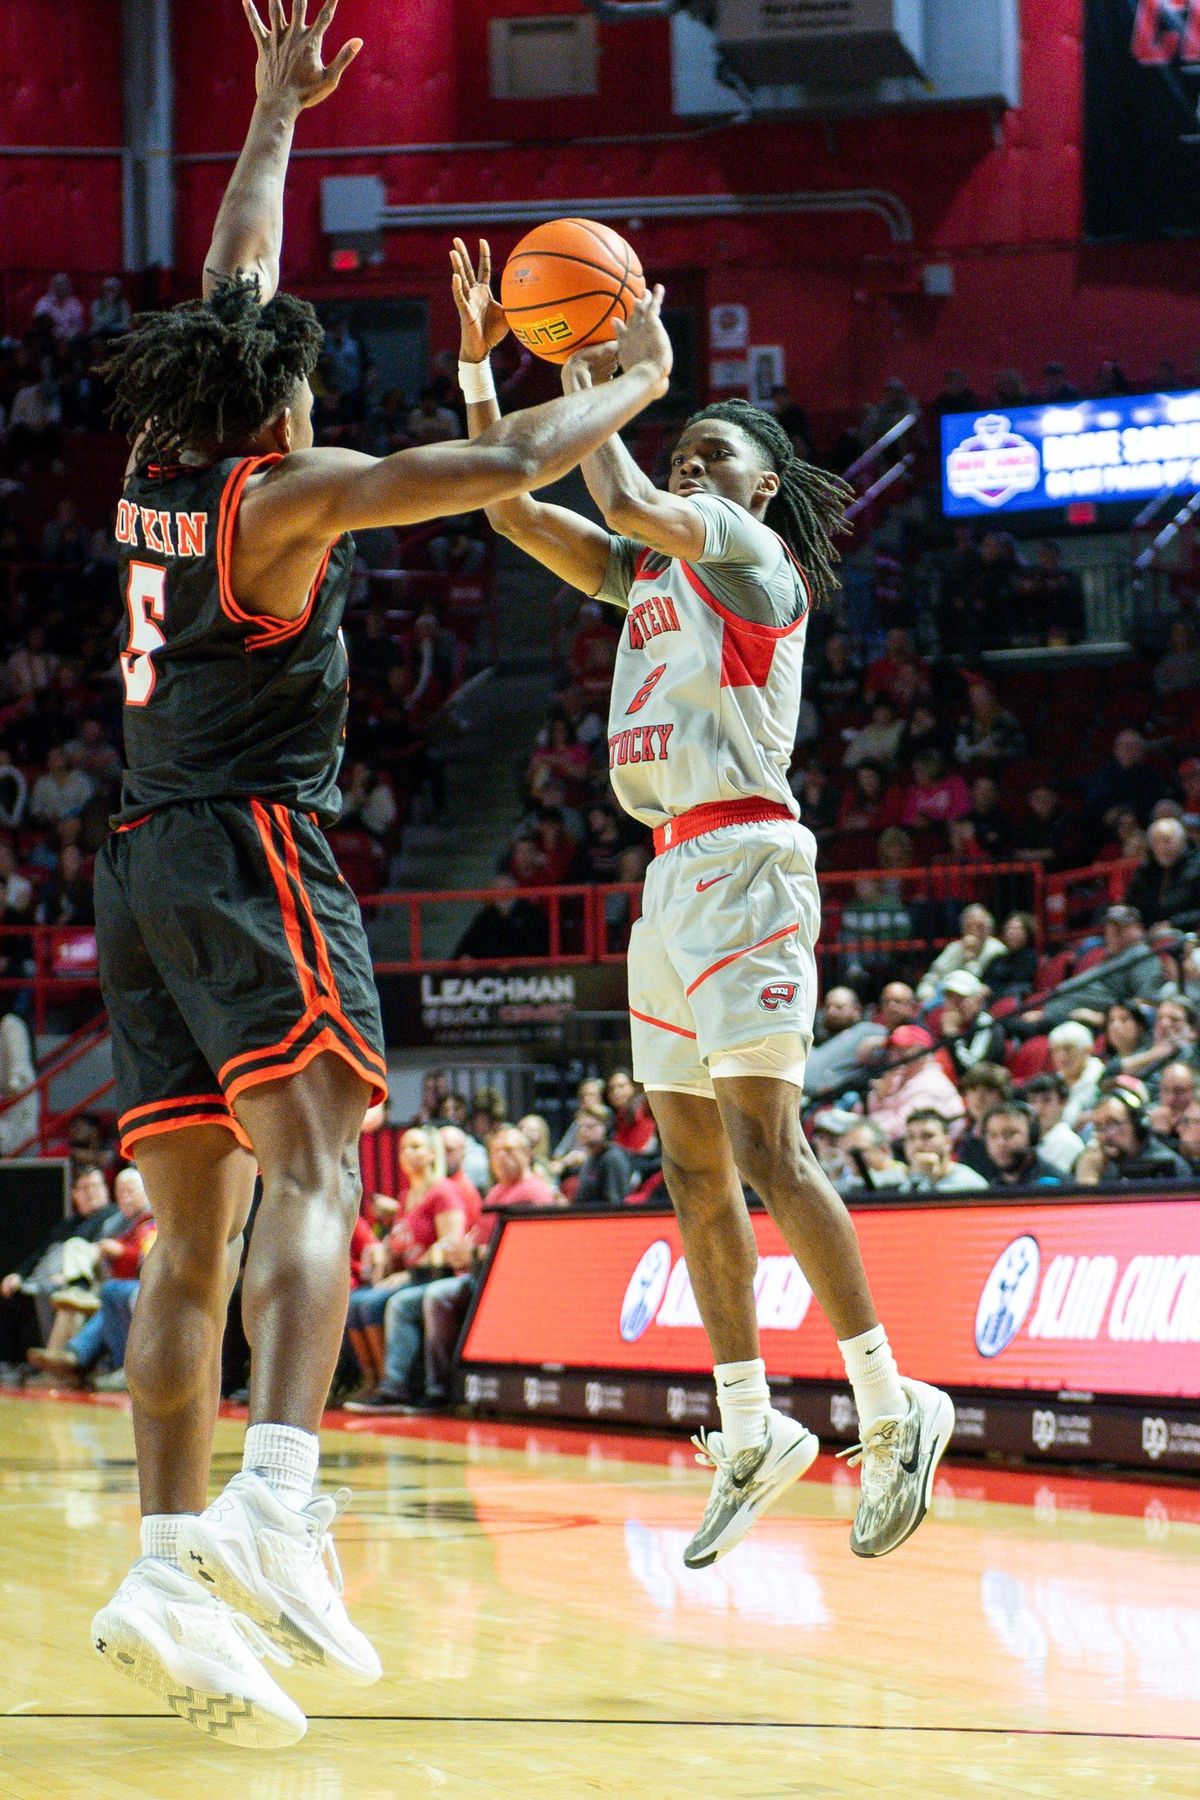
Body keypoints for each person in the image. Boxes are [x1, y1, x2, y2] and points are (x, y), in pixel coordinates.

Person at [86, 7, 674, 1751]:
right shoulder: (288, 494)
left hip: (136, 858)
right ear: (281, 389)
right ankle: (279, 1490)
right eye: (307, 364)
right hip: (251, 843)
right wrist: (633, 368)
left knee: (189, 1239)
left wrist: (271, 112)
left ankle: (168, 1560)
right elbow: (496, 471)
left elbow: (232, 275)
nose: (315, 372)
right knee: (333, 1162)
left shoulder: (156, 463)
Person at [450, 238, 955, 1567]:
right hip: (670, 874)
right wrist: (476, 377)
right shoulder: (655, 571)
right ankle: (749, 1425)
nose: (692, 466)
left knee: (770, 1148)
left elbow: (614, 488)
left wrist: (592, 363)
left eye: (715, 456)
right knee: (688, 1166)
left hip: (745, 861)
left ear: (763, 489)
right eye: (689, 456)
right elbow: (515, 511)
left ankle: (894, 1403)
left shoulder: (748, 560)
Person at [345, 1124, 554, 1415]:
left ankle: (427, 1388)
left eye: (509, 1150)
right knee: (362, 1302)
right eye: (495, 1151)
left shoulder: (535, 1192)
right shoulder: (495, 1192)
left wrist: (466, 1253)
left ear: (528, 1153)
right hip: (478, 1273)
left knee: (415, 1300)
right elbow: (471, 1241)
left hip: (503, 1279)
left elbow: (527, 1247)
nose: (501, 1157)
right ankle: (380, 1382)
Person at [28, 1167, 156, 1386]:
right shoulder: (115, 1223)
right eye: (121, 1191)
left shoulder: (152, 1220)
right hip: (107, 1277)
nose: (125, 1197)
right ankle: (62, 1366)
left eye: (131, 1191)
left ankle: (73, 1356)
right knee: (75, 1287)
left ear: (146, 1192)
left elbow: (147, 1260)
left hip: (133, 1281)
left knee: (107, 1294)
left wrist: (119, 1252)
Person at [867, 1025, 965, 1144]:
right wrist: (880, 1096)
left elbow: (903, 1128)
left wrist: (865, 1129)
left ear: (923, 1051)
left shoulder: (932, 1083)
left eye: (903, 1049)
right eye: (893, 1049)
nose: (896, 1055)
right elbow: (873, 1111)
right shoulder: (898, 1075)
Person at [1077, 1091, 1192, 1184]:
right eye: (1099, 1127)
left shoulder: (1168, 1166)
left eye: (1113, 1123)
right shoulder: (1100, 1165)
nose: (1105, 1134)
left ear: (1138, 1124)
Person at [803, 986, 887, 1099]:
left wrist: (880, 1042)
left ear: (856, 1010)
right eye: (828, 1006)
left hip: (840, 1100)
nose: (831, 1011)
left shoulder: (868, 1031)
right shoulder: (816, 1036)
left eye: (839, 1007)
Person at [916, 904, 1005, 1002]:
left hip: (973, 1001)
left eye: (980, 927)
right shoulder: (954, 948)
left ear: (989, 929)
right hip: (943, 997)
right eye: (969, 926)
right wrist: (925, 994)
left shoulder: (997, 950)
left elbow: (979, 985)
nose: (974, 931)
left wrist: (970, 958)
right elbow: (933, 976)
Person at [1124, 817, 1200, 928]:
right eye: (1156, 842)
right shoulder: (1145, 871)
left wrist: (1172, 923)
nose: (1162, 847)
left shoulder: (1197, 865)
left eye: (1167, 840)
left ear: (1182, 840)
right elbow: (1131, 905)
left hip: (1186, 932)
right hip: (1149, 934)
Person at [901, 1110, 988, 1194]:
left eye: (927, 1136)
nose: (917, 1144)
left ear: (948, 1142)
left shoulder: (970, 1185)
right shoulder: (895, 1181)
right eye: (910, 1137)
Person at [937, 970, 1004, 1078]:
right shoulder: (942, 1021)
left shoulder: (986, 1025)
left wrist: (952, 1036)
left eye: (960, 999)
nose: (954, 1005)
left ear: (978, 1000)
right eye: (949, 998)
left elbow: (973, 1070)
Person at [979, 1103, 1062, 1187]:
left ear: (1032, 1136)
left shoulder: (1055, 1186)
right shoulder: (992, 1189)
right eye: (993, 1135)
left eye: (1010, 1134)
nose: (1000, 1143)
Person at [1019, 1074, 1085, 1178]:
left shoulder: (1069, 1143)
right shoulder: (1026, 1140)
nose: (1038, 1108)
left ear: (1063, 1103)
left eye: (1046, 1101)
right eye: (1033, 1101)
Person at [572, 1103, 634, 1207]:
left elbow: (614, 1205)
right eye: (580, 1127)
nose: (583, 1131)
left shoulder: (613, 1158)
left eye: (590, 1126)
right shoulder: (591, 1157)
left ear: (607, 1128)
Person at [1049, 1021, 1105, 1129]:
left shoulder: (1102, 1078)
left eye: (1068, 1048)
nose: (1061, 1055)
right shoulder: (1053, 1083)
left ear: (1087, 1050)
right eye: (1056, 1050)